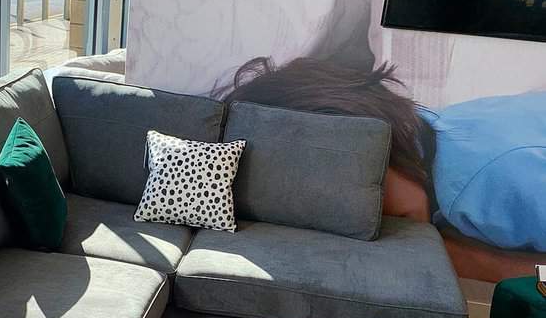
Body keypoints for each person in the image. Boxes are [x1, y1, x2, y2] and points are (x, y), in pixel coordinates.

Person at [221, 56, 545, 282]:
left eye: (348, 173)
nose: (359, 205)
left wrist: (495, 268)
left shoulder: (499, 178)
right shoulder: (438, 137)